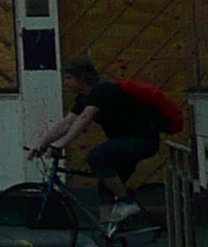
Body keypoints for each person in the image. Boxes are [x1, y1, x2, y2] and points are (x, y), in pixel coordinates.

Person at [32, 59, 179, 226]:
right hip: (123, 142)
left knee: (96, 157)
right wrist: (41, 145)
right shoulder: (84, 98)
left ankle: (127, 202)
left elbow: (84, 118)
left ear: (82, 78)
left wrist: (61, 144)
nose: (65, 83)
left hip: (141, 141)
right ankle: (106, 241)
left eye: (68, 78)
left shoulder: (103, 89)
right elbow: (66, 123)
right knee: (106, 187)